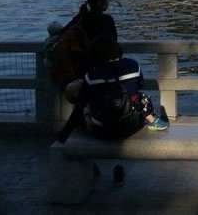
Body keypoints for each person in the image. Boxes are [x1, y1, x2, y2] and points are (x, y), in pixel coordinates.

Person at [55, 34, 168, 185]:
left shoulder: (92, 75)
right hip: (130, 126)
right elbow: (139, 84)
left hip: (102, 129)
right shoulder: (132, 65)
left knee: (85, 106)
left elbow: (82, 102)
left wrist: (65, 132)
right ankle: (153, 120)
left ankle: (90, 164)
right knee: (140, 96)